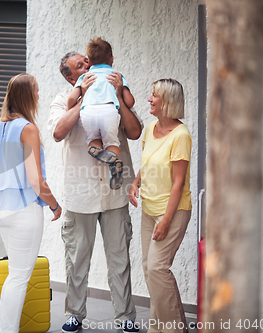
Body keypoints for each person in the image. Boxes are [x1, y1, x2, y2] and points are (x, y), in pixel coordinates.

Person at [48, 52, 143, 333]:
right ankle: (75, 314)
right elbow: (57, 132)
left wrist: (115, 94)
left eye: (88, 62)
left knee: (119, 258)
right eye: (81, 66)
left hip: (115, 193)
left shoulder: (115, 91)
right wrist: (83, 99)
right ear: (70, 77)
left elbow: (135, 132)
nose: (88, 67)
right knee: (77, 259)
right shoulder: (62, 98)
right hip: (80, 194)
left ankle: (125, 317)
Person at [0, 73, 62, 333]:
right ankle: (8, 331)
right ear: (27, 95)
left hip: (0, 209)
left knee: (16, 274)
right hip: (23, 211)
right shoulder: (28, 128)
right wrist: (54, 205)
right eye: (36, 90)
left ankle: (2, 327)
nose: (39, 94)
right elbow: (36, 181)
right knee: (19, 275)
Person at [129, 79, 192, 333]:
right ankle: (159, 327)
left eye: (154, 96)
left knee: (157, 267)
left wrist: (166, 220)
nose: (149, 99)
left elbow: (178, 183)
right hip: (148, 209)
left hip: (173, 211)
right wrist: (135, 182)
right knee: (149, 269)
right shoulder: (150, 129)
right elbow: (148, 163)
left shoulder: (181, 136)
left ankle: (174, 329)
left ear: (168, 101)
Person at [67, 37, 136, 190]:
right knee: (112, 142)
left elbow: (72, 98)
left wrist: (71, 107)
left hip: (88, 112)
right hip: (109, 111)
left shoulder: (85, 77)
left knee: (93, 138)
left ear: (89, 62)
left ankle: (96, 149)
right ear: (111, 58)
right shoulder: (116, 75)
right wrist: (121, 95)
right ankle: (114, 164)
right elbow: (130, 102)